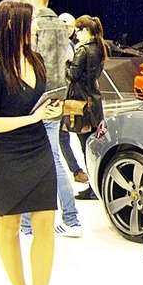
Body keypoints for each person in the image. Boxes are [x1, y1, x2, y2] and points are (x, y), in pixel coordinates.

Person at [0, 0, 63, 285]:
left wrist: (50, 111)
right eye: (31, 22)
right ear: (14, 26)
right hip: (5, 156)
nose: (36, 27)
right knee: (9, 227)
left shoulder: (36, 60)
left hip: (38, 150)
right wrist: (31, 118)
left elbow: (37, 105)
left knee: (45, 226)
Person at [19, 0, 80, 237]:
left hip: (32, 101)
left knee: (26, 161)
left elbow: (27, 63)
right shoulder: (62, 26)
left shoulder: (32, 26)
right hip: (55, 99)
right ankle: (72, 220)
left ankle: (26, 225)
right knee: (54, 159)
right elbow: (68, 63)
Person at [66, 15, 107, 200]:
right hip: (94, 101)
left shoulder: (82, 50)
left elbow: (73, 75)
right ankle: (96, 186)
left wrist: (65, 64)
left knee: (86, 148)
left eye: (78, 30)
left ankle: (93, 189)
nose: (76, 34)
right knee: (93, 146)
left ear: (86, 30)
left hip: (81, 102)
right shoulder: (99, 48)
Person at [57, 12, 87, 184]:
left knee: (79, 133)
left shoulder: (72, 46)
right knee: (63, 135)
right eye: (65, 26)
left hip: (73, 97)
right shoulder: (59, 45)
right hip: (61, 96)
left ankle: (81, 170)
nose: (67, 29)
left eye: (70, 27)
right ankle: (76, 170)